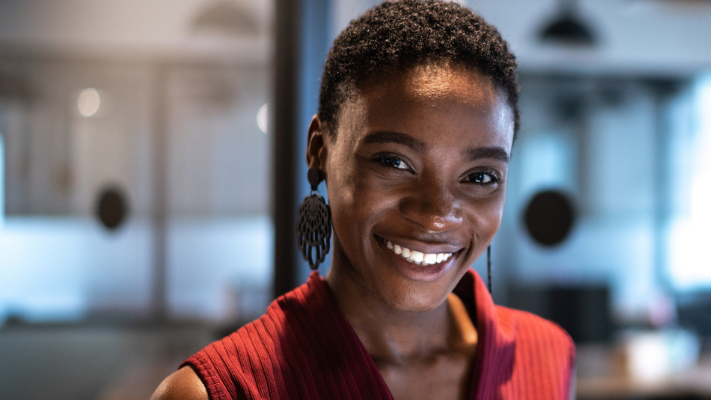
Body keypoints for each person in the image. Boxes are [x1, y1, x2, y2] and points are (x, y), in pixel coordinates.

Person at [151, 1, 575, 399]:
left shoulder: (547, 358)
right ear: (320, 150)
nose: (437, 213)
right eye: (394, 161)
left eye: (480, 176)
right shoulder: (221, 391)